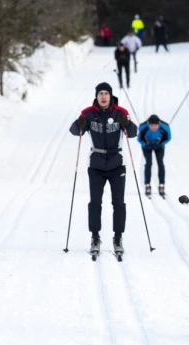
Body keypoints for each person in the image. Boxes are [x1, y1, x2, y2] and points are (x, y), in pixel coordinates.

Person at [69, 82, 138, 255]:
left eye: (106, 93)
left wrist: (127, 124)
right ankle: (95, 237)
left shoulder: (121, 112)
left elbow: (134, 132)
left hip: (117, 163)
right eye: (101, 93)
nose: (104, 96)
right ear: (97, 96)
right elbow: (75, 131)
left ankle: (118, 238)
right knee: (95, 203)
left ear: (110, 95)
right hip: (96, 164)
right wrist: (79, 123)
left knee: (118, 202)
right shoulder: (88, 113)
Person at [137, 114, 171, 198]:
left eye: (156, 125)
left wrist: (161, 144)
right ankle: (147, 184)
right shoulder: (143, 127)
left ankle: (161, 185)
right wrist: (145, 145)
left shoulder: (165, 127)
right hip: (147, 146)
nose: (154, 127)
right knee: (148, 163)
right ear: (148, 124)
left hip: (159, 146)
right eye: (152, 125)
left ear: (159, 124)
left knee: (160, 163)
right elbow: (139, 139)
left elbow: (168, 137)